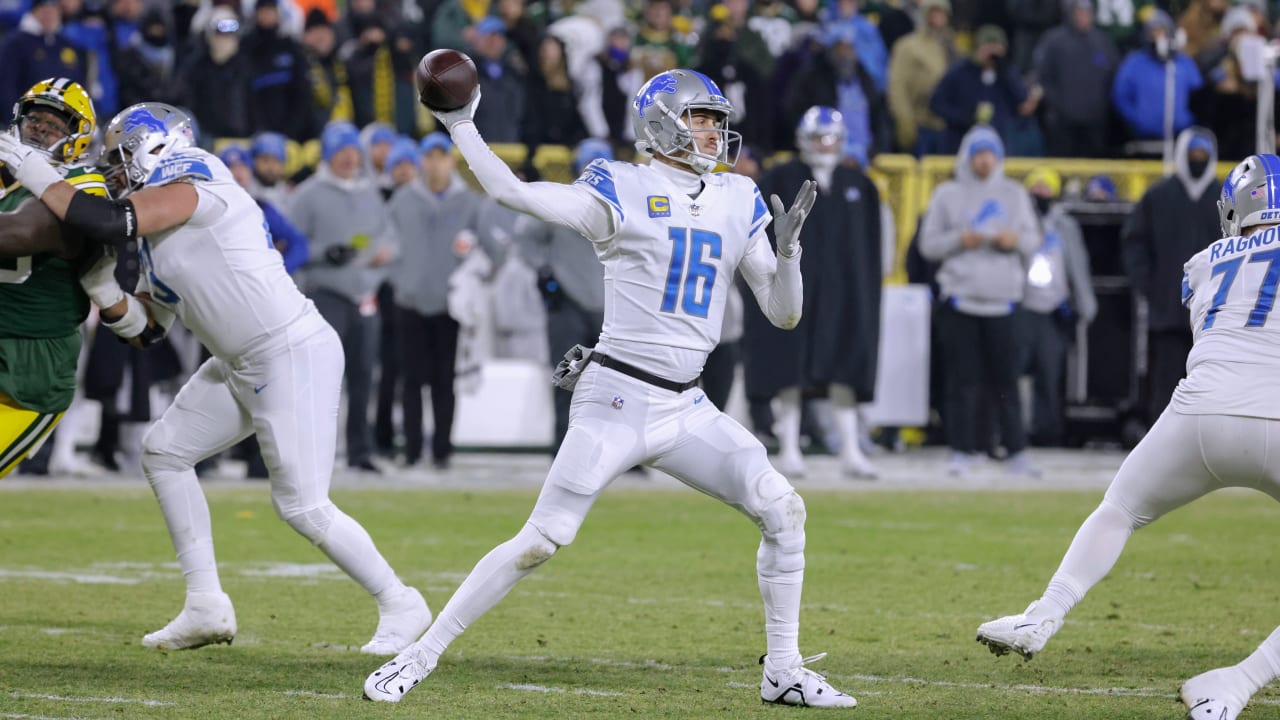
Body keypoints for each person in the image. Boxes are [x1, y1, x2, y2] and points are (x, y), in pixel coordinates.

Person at [362, 68, 856, 708]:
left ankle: (782, 669)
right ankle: (420, 653)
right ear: (660, 123)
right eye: (700, 118)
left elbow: (783, 314)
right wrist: (462, 125)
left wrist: (788, 259)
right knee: (540, 541)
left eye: (715, 119)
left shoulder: (740, 197)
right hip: (618, 397)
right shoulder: (621, 185)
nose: (714, 131)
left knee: (784, 510)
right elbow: (513, 193)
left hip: (688, 404)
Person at [0, 102, 430, 653]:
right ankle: (206, 604)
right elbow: (149, 332)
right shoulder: (156, 236)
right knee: (163, 452)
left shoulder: (198, 175)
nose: (111, 171)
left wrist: (36, 173)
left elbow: (103, 220)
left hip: (290, 350)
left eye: (118, 157)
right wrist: (106, 295)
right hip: (238, 362)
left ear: (154, 146)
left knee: (302, 504)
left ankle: (401, 602)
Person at [974, 154, 1280, 720]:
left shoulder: (1204, 261)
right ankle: (1238, 682)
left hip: (1200, 412)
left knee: (1118, 509)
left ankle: (1042, 614)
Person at [0, 78, 141, 477]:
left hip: (30, 368)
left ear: (77, 138)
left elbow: (20, 234)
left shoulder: (85, 190)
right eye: (34, 119)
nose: (41, 129)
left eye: (55, 124)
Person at [743, 106, 881, 479]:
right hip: (796, 285)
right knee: (790, 367)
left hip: (845, 292)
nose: (825, 144)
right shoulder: (781, 178)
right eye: (819, 137)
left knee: (845, 367)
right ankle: (789, 448)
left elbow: (870, 249)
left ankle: (850, 449)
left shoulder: (859, 185)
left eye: (832, 137)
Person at [918, 125, 1040, 477]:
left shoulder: (1015, 195)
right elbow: (928, 245)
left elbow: (1033, 241)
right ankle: (961, 451)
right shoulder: (947, 194)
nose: (984, 161)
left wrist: (1012, 240)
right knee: (962, 381)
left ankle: (1016, 451)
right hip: (961, 301)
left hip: (1005, 302)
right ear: (967, 157)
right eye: (978, 153)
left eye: (990, 153)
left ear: (999, 157)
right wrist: (960, 240)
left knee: (1008, 381)